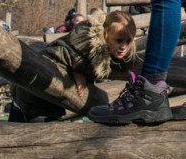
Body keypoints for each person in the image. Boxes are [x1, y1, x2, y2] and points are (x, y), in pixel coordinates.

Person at [10, 10, 140, 122]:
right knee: (35, 133)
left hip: (51, 97)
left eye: (128, 41)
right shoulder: (84, 44)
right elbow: (60, 55)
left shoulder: (104, 51)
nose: (123, 46)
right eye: (119, 41)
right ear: (106, 35)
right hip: (35, 87)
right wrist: (77, 70)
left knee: (51, 130)